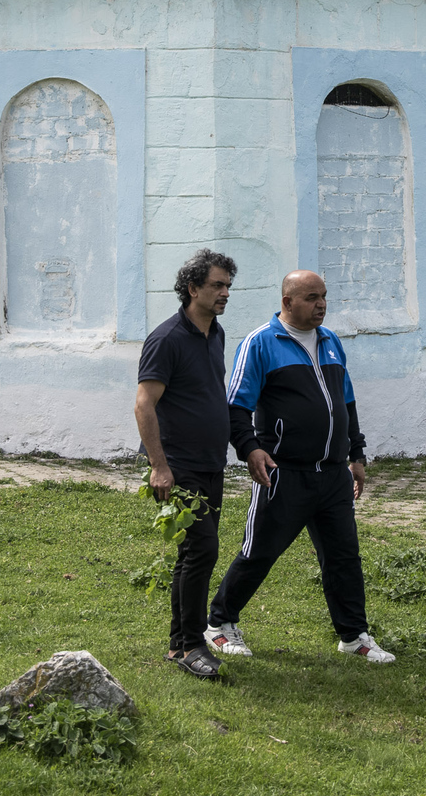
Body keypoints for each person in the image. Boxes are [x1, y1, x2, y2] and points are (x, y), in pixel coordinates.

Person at [205, 269, 395, 664]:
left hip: (333, 474)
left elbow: (346, 403)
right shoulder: (261, 343)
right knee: (260, 552)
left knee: (344, 556)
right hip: (282, 474)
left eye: (323, 296)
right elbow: (236, 406)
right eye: (311, 297)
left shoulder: (330, 342)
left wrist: (356, 455)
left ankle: (353, 636)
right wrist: (250, 450)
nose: (321, 304)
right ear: (287, 302)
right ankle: (219, 624)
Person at [135, 248, 236, 680]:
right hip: (179, 465)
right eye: (217, 285)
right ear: (192, 288)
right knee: (203, 549)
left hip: (212, 462)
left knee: (193, 553)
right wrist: (159, 467)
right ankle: (191, 644)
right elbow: (144, 404)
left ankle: (180, 644)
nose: (224, 293)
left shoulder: (216, 333)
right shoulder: (167, 339)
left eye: (228, 286)